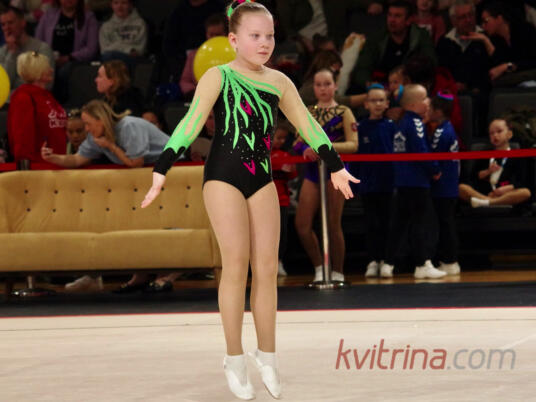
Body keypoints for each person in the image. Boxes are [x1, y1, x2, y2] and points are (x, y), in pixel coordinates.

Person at [140, 2, 359, 400]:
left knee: (267, 269)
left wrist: (336, 166)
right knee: (236, 265)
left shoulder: (279, 82)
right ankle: (234, 357)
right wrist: (162, 167)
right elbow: (191, 122)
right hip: (222, 177)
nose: (264, 43)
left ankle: (267, 356)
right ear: (233, 39)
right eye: (255, 36)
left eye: (269, 36)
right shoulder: (218, 75)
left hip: (261, 178)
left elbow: (308, 125)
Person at [294, 67, 358, 283]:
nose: (323, 89)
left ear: (335, 86)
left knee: (332, 223)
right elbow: (297, 141)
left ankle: (338, 271)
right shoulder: (307, 111)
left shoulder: (344, 111)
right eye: (319, 85)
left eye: (327, 84)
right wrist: (305, 147)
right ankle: (320, 267)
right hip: (313, 173)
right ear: (313, 87)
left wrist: (324, 148)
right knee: (302, 225)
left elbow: (353, 144)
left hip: (336, 171)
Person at [380, 84, 447, 279]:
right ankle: (422, 263)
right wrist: (434, 169)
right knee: (420, 222)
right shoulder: (415, 123)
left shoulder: (401, 123)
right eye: (425, 98)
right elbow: (421, 150)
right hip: (416, 181)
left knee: (399, 223)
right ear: (413, 104)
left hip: (402, 181)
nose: (428, 101)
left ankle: (388, 263)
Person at [40, 99, 169, 168]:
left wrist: (111, 146)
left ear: (101, 120)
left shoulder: (129, 126)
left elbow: (136, 163)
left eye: (88, 124)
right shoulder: (95, 137)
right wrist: (53, 157)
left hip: (173, 163)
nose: (86, 129)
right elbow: (76, 160)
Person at [350, 0, 437, 92]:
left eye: (397, 16)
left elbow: (430, 63)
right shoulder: (377, 38)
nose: (392, 20)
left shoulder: (421, 36)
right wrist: (370, 84)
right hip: (381, 86)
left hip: (411, 86)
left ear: (408, 20)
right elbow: (362, 68)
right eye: (390, 15)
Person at [358, 84, 398, 278]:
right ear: (366, 104)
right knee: (371, 223)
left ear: (387, 103)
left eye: (381, 100)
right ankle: (373, 260)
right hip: (368, 184)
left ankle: (388, 261)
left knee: (388, 223)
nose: (378, 104)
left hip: (388, 183)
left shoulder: (392, 126)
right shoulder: (360, 127)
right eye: (373, 100)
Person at [7, 51, 66, 164]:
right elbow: (22, 136)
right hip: (38, 166)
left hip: (56, 163)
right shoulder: (23, 97)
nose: (51, 70)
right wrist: (25, 164)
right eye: (47, 68)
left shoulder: (47, 96)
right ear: (37, 71)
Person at [459, 118, 532, 208]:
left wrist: (507, 188)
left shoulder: (517, 155)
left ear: (509, 134)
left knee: (525, 192)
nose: (495, 135)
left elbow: (522, 181)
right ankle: (489, 201)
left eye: (499, 131)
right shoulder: (484, 153)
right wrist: (488, 171)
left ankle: (487, 202)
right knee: (461, 188)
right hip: (484, 193)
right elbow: (473, 177)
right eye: (491, 133)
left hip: (506, 194)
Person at [35, 0, 99, 101]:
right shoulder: (48, 15)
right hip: (49, 59)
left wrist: (68, 58)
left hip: (75, 61)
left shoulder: (89, 17)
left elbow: (91, 49)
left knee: (63, 71)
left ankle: (59, 103)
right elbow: (38, 41)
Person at [427, 91, 461, 275]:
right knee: (445, 223)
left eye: (430, 109)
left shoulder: (441, 131)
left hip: (443, 186)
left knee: (445, 224)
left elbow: (434, 157)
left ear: (438, 112)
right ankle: (448, 259)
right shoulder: (448, 128)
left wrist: (433, 172)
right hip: (448, 185)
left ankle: (450, 260)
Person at [436, 0, 491, 92]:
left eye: (471, 15)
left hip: (483, 91)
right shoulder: (445, 42)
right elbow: (442, 73)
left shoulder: (487, 37)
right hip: (453, 92)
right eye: (463, 17)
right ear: (453, 21)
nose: (468, 20)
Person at [0, 6, 55, 92]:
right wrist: (12, 52)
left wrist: (14, 91)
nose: (7, 28)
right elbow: (2, 85)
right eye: (3, 24)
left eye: (10, 23)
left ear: (23, 23)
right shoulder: (2, 51)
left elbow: (46, 85)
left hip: (30, 98)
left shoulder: (41, 49)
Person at [480, 1, 536, 85]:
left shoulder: (525, 31)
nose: (483, 26)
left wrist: (508, 66)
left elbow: (532, 61)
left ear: (499, 19)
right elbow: (496, 67)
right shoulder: (495, 39)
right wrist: (486, 41)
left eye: (486, 21)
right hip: (513, 83)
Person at [179, 13, 227, 100]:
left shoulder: (236, 55)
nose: (213, 38)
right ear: (206, 34)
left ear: (225, 34)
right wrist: (196, 92)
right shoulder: (194, 55)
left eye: (218, 35)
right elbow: (185, 81)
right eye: (211, 35)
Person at [271, 120, 297, 277]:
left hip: (282, 200)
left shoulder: (285, 155)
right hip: (264, 201)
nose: (281, 141)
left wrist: (289, 169)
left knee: (281, 232)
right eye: (278, 137)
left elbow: (292, 174)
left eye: (283, 138)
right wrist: (277, 167)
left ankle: (279, 261)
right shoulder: (260, 153)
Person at [99, 0, 148, 66]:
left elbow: (140, 49)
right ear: (111, 5)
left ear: (130, 5)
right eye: (116, 3)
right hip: (111, 59)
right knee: (109, 56)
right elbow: (104, 50)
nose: (119, 6)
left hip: (133, 59)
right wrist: (128, 49)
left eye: (124, 3)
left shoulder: (140, 24)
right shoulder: (105, 26)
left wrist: (117, 47)